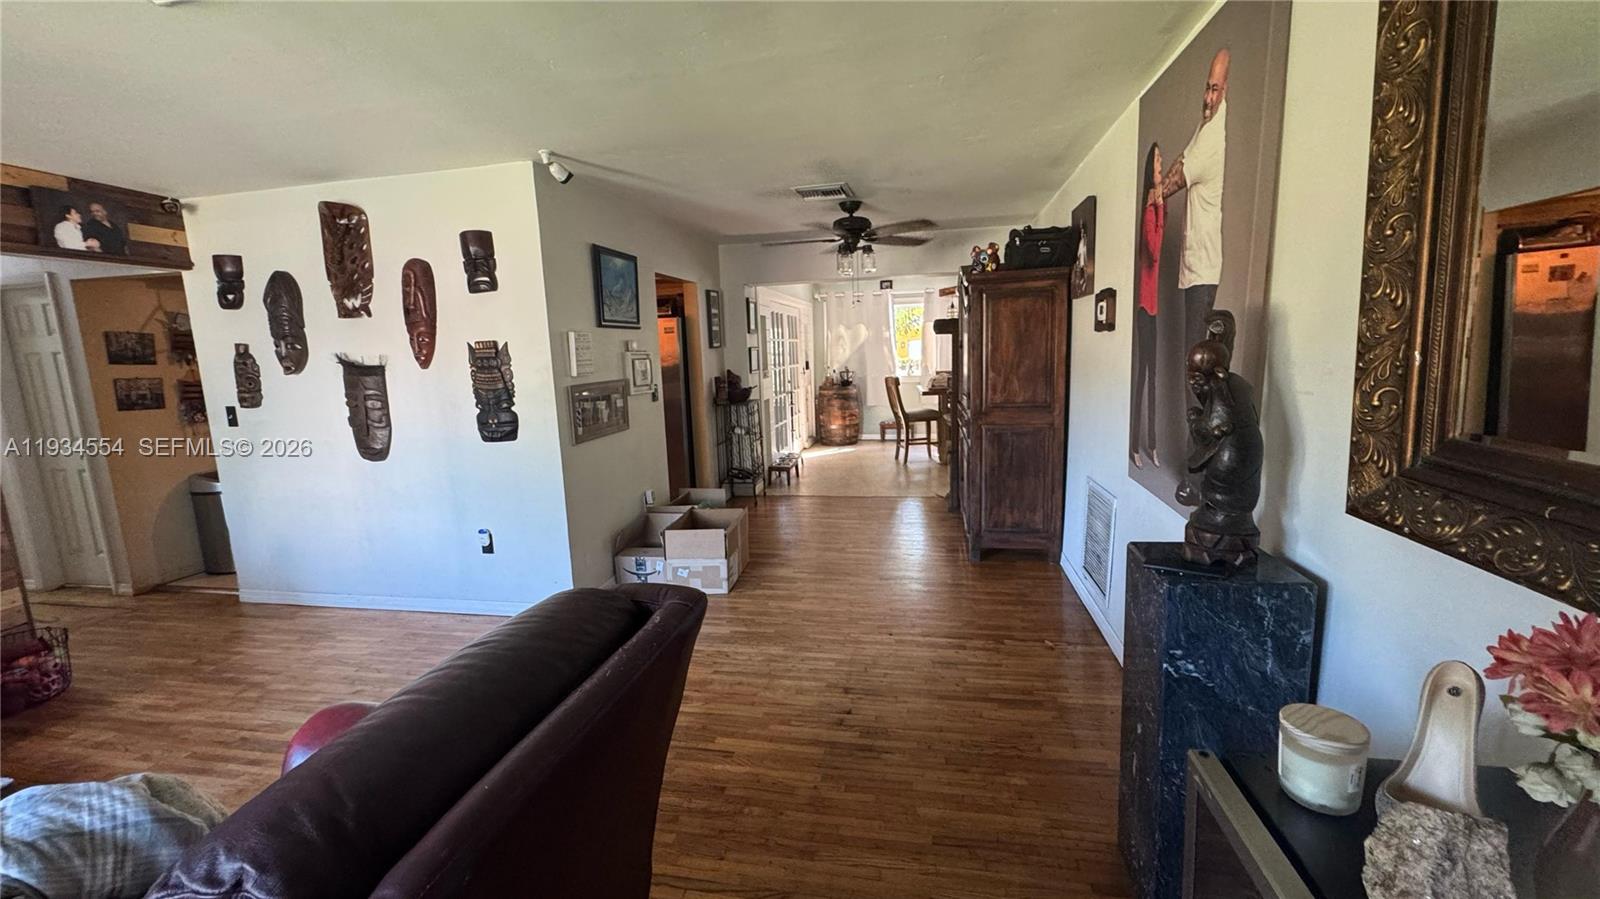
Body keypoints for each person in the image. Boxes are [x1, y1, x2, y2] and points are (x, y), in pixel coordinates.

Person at [1161, 47, 1230, 356]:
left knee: (1195, 362)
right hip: (1193, 270)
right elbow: (1183, 159)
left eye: (1214, 89)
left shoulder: (1213, 141)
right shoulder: (1204, 129)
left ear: (1224, 90)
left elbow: (1173, 182)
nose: (1208, 97)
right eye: (1206, 87)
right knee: (1193, 358)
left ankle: (1198, 406)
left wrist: (1155, 190)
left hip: (1203, 270)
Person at [1131, 142, 1165, 470]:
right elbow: (1154, 251)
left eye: (1160, 162)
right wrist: (1154, 208)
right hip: (1144, 303)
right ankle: (1135, 445)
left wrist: (1160, 207)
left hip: (1155, 305)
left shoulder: (1157, 208)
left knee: (1154, 376)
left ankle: (1153, 444)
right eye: (1156, 163)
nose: (1160, 168)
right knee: (1141, 376)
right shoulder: (1147, 211)